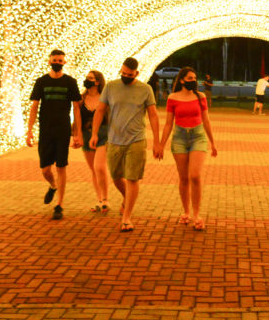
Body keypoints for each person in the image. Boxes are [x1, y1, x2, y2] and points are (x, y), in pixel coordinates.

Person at [90, 57, 162, 232]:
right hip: (114, 139)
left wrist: (157, 141)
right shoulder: (111, 87)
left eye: (129, 75)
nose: (126, 77)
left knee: (132, 178)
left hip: (136, 140)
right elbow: (100, 110)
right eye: (123, 73)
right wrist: (94, 134)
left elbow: (153, 115)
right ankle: (127, 198)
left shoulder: (145, 89)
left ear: (136, 73)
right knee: (116, 177)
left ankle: (126, 217)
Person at [26, 49, 82, 220]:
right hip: (45, 130)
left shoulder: (70, 82)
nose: (57, 63)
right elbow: (34, 106)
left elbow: (76, 108)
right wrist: (29, 131)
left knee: (61, 166)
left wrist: (77, 133)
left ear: (64, 62)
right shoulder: (41, 82)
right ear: (49, 61)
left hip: (63, 129)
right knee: (45, 169)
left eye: (60, 60)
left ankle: (60, 205)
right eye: (54, 60)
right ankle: (53, 185)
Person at [159, 67, 218, 230]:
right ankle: (186, 212)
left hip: (198, 137)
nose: (193, 81)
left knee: (195, 175)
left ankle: (197, 215)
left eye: (194, 78)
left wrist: (213, 143)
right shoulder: (172, 98)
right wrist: (161, 144)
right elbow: (168, 124)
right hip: (179, 139)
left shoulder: (201, 97)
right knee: (184, 178)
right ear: (182, 80)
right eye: (190, 78)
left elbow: (206, 120)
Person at [80, 70, 110, 213]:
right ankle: (99, 200)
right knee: (93, 169)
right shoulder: (82, 98)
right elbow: (78, 119)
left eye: (90, 78)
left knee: (99, 167)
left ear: (97, 81)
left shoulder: (105, 98)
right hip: (86, 135)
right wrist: (77, 135)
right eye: (87, 78)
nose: (87, 80)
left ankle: (105, 199)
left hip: (103, 135)